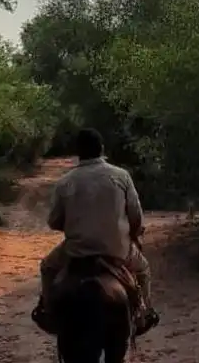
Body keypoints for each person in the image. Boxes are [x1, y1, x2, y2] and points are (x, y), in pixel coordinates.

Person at [36, 128, 159, 332]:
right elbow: (136, 216)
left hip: (77, 250)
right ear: (102, 149)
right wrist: (134, 235)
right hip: (117, 248)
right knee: (143, 269)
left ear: (78, 152)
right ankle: (143, 316)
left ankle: (49, 314)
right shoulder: (121, 176)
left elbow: (54, 221)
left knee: (47, 268)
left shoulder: (65, 182)